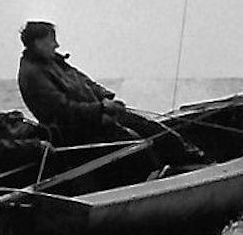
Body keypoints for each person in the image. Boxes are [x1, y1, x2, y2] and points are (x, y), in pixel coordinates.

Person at [17, 21, 206, 166]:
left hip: (98, 117)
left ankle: (193, 160)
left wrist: (106, 98)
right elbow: (61, 109)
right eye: (51, 40)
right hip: (77, 130)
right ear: (38, 42)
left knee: (151, 128)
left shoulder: (54, 62)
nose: (56, 45)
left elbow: (86, 82)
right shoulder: (32, 73)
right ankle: (159, 174)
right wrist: (99, 109)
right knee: (136, 147)